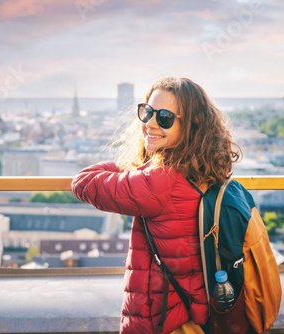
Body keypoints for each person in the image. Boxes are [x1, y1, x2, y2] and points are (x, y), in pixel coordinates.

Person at [72, 77, 241, 334]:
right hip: (196, 310)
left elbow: (83, 182)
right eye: (147, 112)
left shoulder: (159, 181)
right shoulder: (205, 166)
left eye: (164, 117)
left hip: (162, 319)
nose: (150, 123)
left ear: (191, 125)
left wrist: (130, 166)